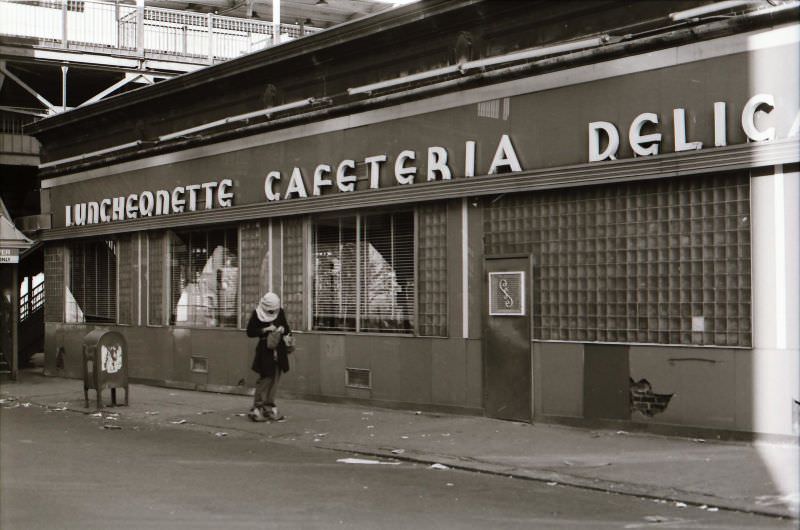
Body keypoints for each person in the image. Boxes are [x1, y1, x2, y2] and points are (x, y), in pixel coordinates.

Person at [246, 292, 292, 422]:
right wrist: (265, 330)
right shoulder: (257, 314)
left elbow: (287, 329)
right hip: (265, 350)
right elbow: (250, 332)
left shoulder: (280, 312)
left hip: (278, 349)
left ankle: (269, 407)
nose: (273, 311)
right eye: (270, 309)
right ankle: (258, 407)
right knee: (265, 379)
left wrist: (282, 329)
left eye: (274, 309)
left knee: (275, 379)